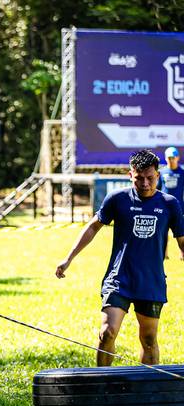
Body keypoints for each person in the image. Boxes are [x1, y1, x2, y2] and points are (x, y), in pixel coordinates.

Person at [55, 149, 184, 367]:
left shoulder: (169, 204)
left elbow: (182, 242)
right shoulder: (117, 199)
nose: (144, 183)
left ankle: (148, 393)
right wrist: (68, 259)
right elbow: (92, 228)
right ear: (130, 175)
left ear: (158, 176)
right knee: (107, 332)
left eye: (150, 178)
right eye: (139, 178)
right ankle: (103, 388)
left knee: (149, 340)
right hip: (119, 279)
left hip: (150, 281)